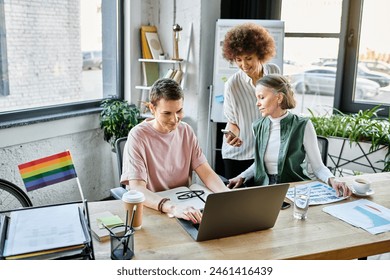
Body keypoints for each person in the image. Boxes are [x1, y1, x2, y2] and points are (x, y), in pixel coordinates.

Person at [120, 78, 229, 223]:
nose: (174, 119)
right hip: (155, 208)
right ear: (152, 109)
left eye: (179, 111)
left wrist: (228, 197)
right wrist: (172, 207)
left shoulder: (186, 131)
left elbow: (206, 173)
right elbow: (137, 189)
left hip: (185, 206)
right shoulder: (138, 136)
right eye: (167, 113)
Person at [227, 74, 351, 197]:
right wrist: (242, 176)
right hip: (263, 189)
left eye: (261, 97)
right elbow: (260, 164)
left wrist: (333, 180)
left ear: (279, 97)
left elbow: (318, 167)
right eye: (257, 98)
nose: (257, 103)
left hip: (294, 189)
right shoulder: (257, 126)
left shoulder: (303, 125)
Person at [221, 22, 281, 179]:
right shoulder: (232, 85)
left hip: (267, 152)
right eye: (238, 59)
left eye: (248, 58)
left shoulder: (274, 72)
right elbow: (232, 121)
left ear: (261, 54)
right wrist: (231, 135)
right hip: (239, 155)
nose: (244, 65)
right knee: (236, 202)